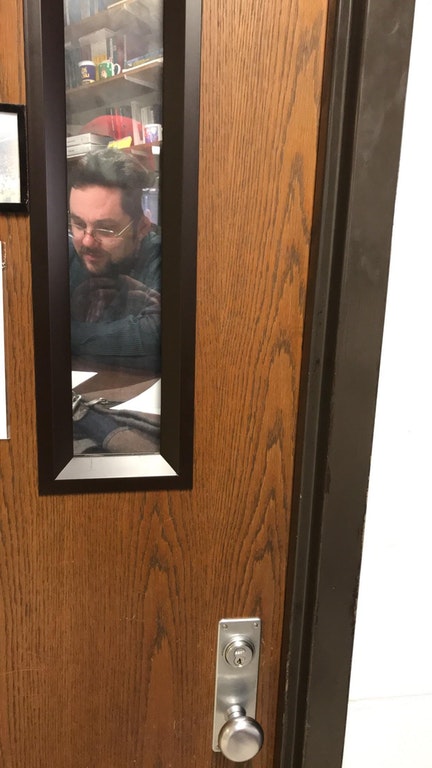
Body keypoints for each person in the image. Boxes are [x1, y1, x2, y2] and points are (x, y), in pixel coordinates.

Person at [68, 147, 161, 372]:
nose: (87, 241)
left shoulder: (160, 257)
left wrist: (68, 333)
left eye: (106, 229)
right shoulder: (66, 254)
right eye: (78, 224)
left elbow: (154, 334)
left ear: (142, 227)